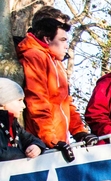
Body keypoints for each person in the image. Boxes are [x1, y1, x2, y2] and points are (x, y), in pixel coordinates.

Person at [16, 10, 97, 148]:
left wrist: (79, 132)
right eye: (63, 39)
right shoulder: (35, 55)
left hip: (59, 141)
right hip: (42, 144)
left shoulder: (56, 61)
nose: (67, 45)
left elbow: (65, 101)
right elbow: (37, 101)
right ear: (47, 35)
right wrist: (50, 140)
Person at [0, 78, 45, 161]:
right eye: (19, 100)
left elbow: (31, 139)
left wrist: (36, 147)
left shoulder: (13, 125)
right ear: (2, 102)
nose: (23, 106)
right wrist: (24, 153)